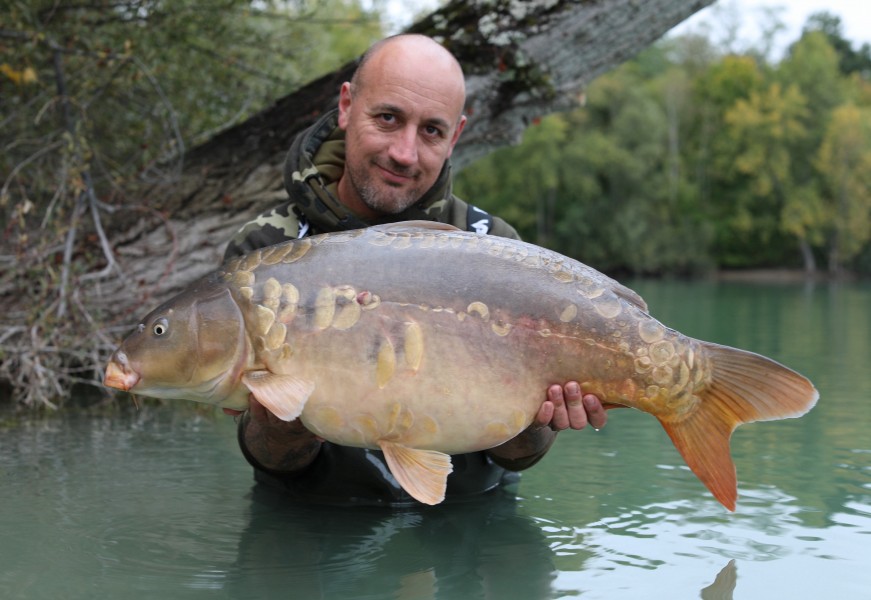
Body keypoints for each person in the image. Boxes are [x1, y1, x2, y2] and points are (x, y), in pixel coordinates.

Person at [222, 34, 608, 506]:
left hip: (470, 524)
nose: (404, 153)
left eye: (431, 131)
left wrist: (538, 423)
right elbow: (265, 454)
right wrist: (280, 425)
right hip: (312, 520)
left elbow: (518, 456)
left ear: (456, 137)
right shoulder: (266, 252)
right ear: (346, 106)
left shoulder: (494, 248)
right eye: (388, 118)